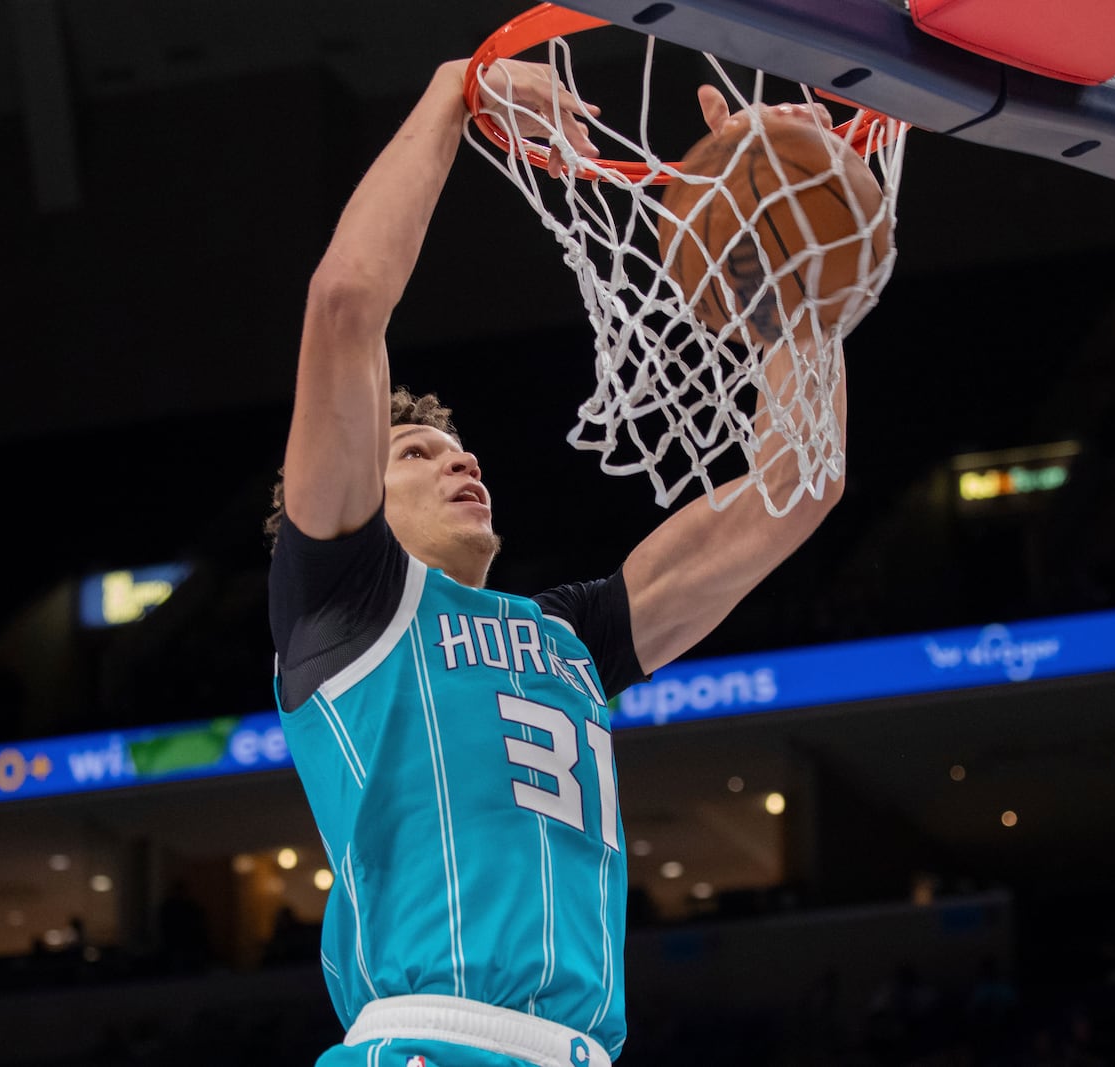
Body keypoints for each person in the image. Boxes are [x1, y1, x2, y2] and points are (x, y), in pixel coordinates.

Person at [265, 55, 851, 1067]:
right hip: (425, 1039)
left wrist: (791, 273)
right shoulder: (344, 603)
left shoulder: (566, 637)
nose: (461, 457)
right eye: (417, 452)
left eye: (461, 447)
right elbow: (346, 302)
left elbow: (792, 490)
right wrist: (456, 88)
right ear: (355, 485)